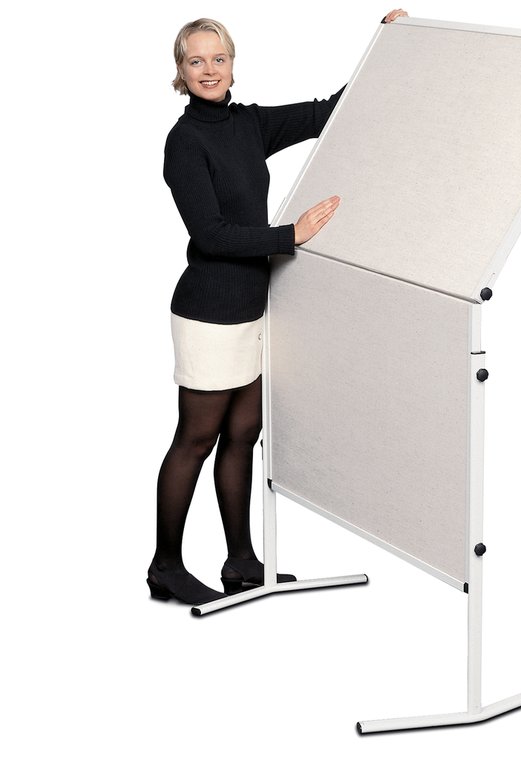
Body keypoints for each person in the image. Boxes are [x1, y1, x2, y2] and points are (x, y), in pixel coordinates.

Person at [148, 10, 409, 605]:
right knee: (197, 438)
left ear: (232, 64)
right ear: (181, 71)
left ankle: (241, 561)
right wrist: (291, 234)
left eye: (218, 58)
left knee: (244, 433)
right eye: (196, 61)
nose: (209, 70)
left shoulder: (250, 124)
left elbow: (330, 111)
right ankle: (164, 565)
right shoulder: (183, 142)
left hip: (256, 307)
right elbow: (211, 235)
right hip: (209, 312)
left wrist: (387, 42)